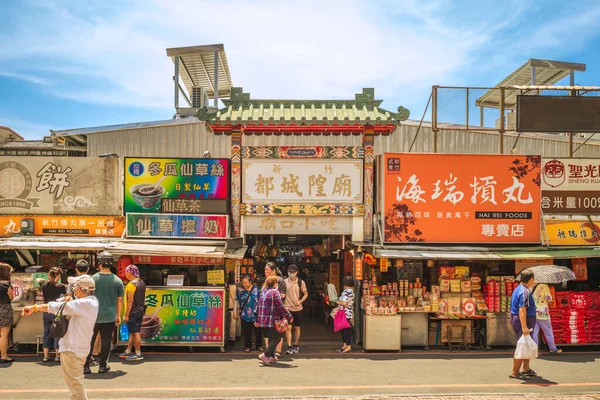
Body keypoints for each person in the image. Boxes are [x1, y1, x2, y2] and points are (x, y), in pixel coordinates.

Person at [22, 275, 99, 400]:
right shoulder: (91, 302)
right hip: (78, 349)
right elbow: (63, 304)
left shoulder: (84, 303)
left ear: (80, 290)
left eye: (75, 287)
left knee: (76, 390)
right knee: (77, 386)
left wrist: (34, 307)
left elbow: (56, 307)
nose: (73, 289)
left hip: (72, 350)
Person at [83, 251, 123, 374]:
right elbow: (119, 300)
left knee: (89, 340)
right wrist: (118, 315)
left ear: (99, 264)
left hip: (93, 315)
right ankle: (103, 365)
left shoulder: (92, 279)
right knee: (106, 341)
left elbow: (86, 297)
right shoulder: (117, 281)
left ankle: (86, 366)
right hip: (109, 316)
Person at [256, 275, 293, 366]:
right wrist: (289, 316)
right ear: (275, 284)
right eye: (277, 283)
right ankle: (265, 355)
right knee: (276, 338)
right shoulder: (275, 292)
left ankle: (271, 356)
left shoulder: (263, 291)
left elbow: (258, 306)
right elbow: (280, 306)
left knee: (271, 338)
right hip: (273, 319)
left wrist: (257, 319)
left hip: (264, 320)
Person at [510, 269, 537, 380]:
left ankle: (526, 368)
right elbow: (522, 310)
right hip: (523, 319)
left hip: (524, 318)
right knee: (522, 345)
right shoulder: (524, 291)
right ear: (530, 279)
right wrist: (524, 326)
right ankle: (515, 372)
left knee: (526, 343)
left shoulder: (519, 289)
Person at [37, 267, 67, 362]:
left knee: (46, 333)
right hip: (56, 311)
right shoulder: (61, 286)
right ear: (58, 276)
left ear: (49, 275)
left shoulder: (44, 284)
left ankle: (46, 356)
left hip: (46, 311)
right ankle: (57, 356)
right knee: (57, 333)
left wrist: (47, 278)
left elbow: (38, 280)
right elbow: (66, 296)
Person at [120, 265, 146, 361]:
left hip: (133, 312)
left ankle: (138, 353)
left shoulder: (131, 285)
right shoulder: (141, 282)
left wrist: (126, 314)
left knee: (135, 333)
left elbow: (130, 301)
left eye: (126, 272)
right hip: (139, 311)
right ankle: (128, 350)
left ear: (129, 273)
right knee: (133, 332)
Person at [262, 262, 286, 357]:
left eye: (267, 270)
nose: (265, 272)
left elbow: (282, 296)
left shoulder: (279, 281)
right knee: (270, 334)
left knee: (277, 332)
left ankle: (276, 351)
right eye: (265, 270)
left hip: (276, 312)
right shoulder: (267, 280)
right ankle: (270, 354)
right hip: (267, 313)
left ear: (274, 271)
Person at [233, 275, 262, 352]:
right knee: (246, 331)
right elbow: (236, 300)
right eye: (243, 283)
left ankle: (259, 345)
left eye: (246, 283)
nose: (244, 284)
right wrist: (234, 311)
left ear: (250, 282)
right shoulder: (240, 290)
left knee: (258, 330)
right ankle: (247, 346)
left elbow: (261, 300)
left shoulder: (256, 289)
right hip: (244, 314)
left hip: (256, 314)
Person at [283, 264, 308, 354]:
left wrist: (300, 301)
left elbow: (306, 294)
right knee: (288, 327)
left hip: (298, 308)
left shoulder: (301, 282)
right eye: (289, 272)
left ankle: (296, 345)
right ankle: (289, 346)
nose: (291, 274)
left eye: (293, 272)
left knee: (297, 327)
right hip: (287, 307)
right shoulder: (284, 282)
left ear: (296, 272)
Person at [533, 282, 562, 355]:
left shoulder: (531, 285)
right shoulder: (544, 286)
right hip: (543, 313)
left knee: (535, 332)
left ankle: (534, 350)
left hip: (534, 311)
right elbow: (548, 298)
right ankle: (552, 349)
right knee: (548, 331)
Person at [336, 275, 355, 354]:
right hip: (349, 312)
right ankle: (345, 345)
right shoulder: (352, 291)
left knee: (345, 330)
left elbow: (344, 303)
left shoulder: (346, 292)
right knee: (344, 330)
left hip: (344, 313)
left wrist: (337, 301)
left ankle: (348, 346)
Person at [0, 263, 14, 364]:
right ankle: (4, 356)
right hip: (5, 309)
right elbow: (11, 297)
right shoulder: (7, 285)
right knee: (4, 335)